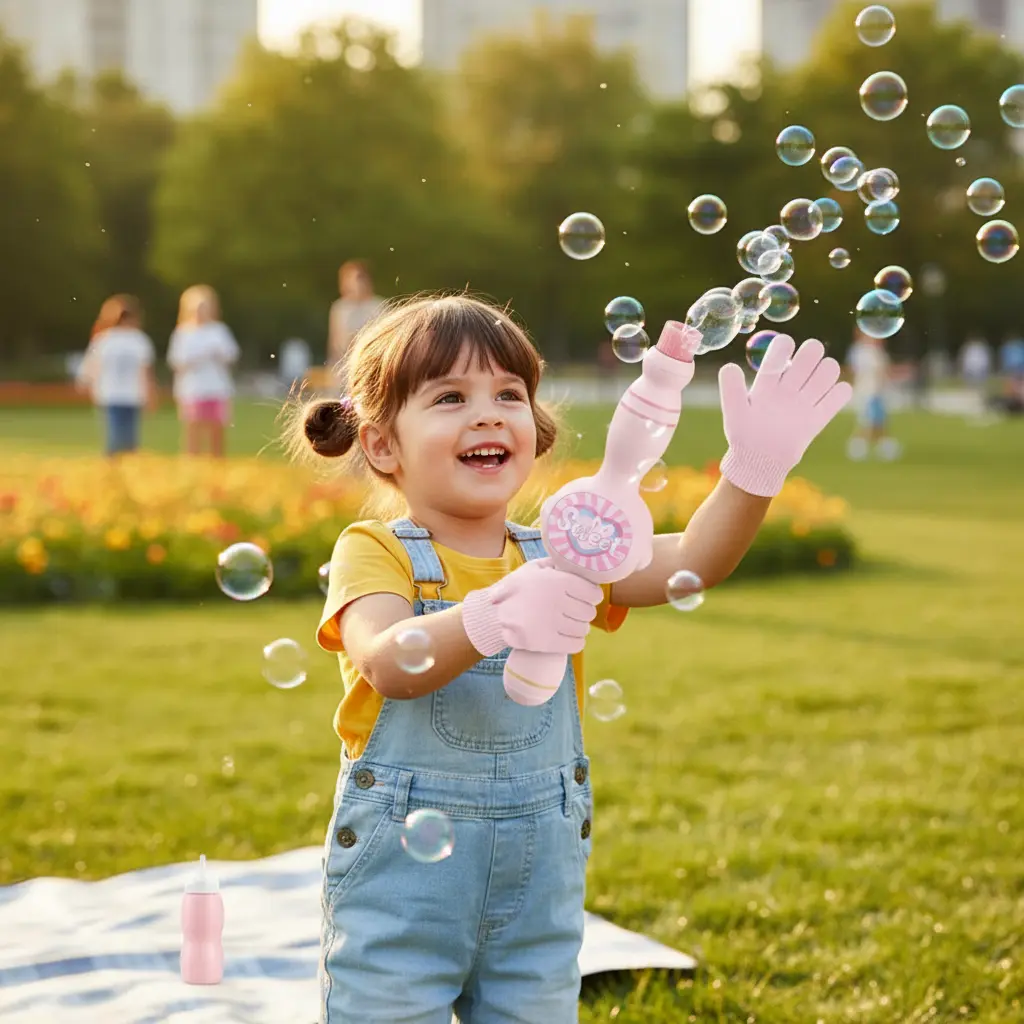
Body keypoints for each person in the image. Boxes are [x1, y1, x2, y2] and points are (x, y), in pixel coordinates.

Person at [285, 294, 850, 1022]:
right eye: (451, 397)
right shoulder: (375, 552)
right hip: (400, 897)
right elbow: (388, 661)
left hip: (537, 900)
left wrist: (754, 470)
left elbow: (694, 560)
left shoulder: (568, 550)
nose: (488, 416)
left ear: (536, 428)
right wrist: (493, 615)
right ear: (382, 445)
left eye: (509, 395)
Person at [77, 294, 157, 457]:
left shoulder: (104, 339)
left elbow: (91, 367)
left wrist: (86, 382)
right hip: (125, 395)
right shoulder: (137, 340)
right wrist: (150, 394)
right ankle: (126, 466)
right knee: (128, 439)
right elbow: (145, 371)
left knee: (115, 438)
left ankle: (115, 465)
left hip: (112, 394)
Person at [167, 285, 240, 457]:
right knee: (193, 428)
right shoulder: (183, 333)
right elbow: (176, 360)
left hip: (217, 388)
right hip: (192, 388)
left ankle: (217, 462)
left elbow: (232, 354)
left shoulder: (219, 330)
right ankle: (192, 461)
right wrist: (199, 355)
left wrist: (217, 353)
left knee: (217, 429)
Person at [846, 328, 900, 461]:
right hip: (867, 392)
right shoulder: (862, 351)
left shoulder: (876, 351)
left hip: (877, 392)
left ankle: (879, 447)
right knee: (869, 422)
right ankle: (858, 448)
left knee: (878, 422)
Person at [327, 260, 384, 384]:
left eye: (360, 279)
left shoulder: (378, 306)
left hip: (371, 363)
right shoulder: (340, 308)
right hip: (344, 365)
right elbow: (334, 341)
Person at [958, 333, 992, 416]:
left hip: (979, 368)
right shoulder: (969, 349)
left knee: (980, 386)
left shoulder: (981, 349)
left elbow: (984, 360)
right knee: (970, 385)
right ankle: (969, 400)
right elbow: (966, 359)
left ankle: (981, 400)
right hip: (971, 368)